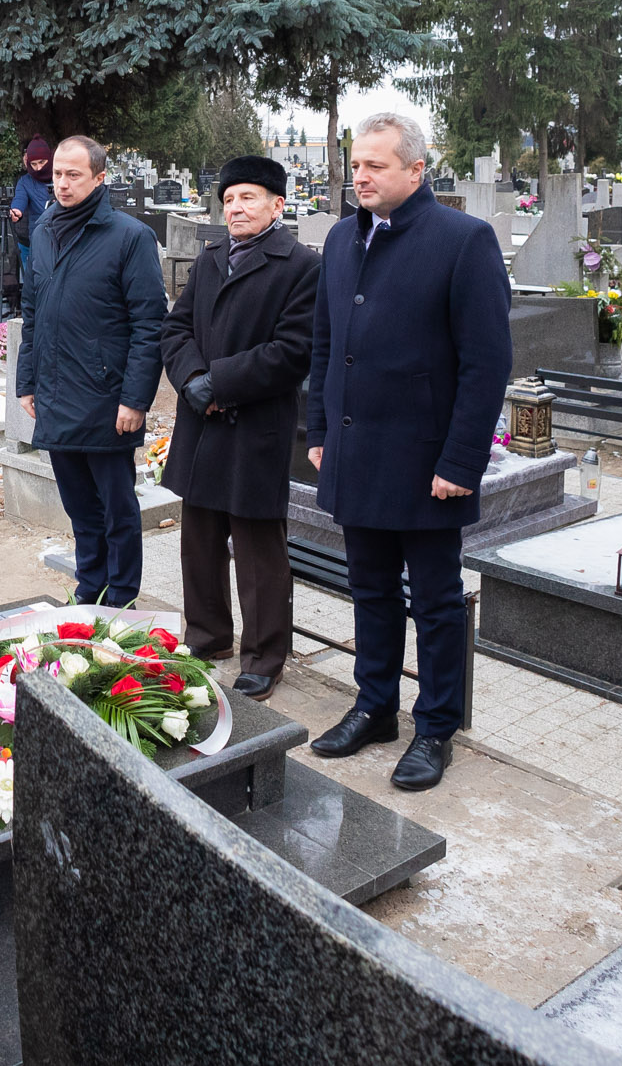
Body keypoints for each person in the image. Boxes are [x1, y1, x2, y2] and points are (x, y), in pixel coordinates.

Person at [306, 112, 510, 791]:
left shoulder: (463, 241)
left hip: (426, 463)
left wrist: (461, 460)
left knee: (436, 601)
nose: (360, 177)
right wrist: (318, 431)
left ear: (416, 170)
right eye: (356, 165)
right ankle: (375, 706)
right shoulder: (342, 238)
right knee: (369, 589)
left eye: (376, 165)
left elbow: (486, 363)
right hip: (355, 449)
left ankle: (436, 727)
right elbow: (326, 344)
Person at [159, 154, 321, 700]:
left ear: (277, 205)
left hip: (255, 428)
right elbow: (175, 328)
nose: (235, 208)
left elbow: (292, 350)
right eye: (228, 200)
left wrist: (219, 382)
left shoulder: (301, 266)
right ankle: (208, 637)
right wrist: (192, 379)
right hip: (202, 424)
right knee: (200, 543)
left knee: (258, 555)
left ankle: (265, 656)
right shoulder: (211, 260)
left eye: (247, 197)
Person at [16, 135, 165, 607]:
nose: (62, 184)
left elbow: (149, 323)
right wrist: (27, 381)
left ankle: (120, 600)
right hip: (56, 391)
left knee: (117, 510)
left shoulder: (130, 237)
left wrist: (135, 399)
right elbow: (33, 310)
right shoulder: (44, 229)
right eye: (57, 174)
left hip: (106, 396)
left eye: (73, 175)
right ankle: (90, 592)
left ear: (99, 178)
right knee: (79, 508)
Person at [8, 133, 54, 284]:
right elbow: (19, 199)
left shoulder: (61, 176)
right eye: (33, 164)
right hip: (36, 239)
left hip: (62, 238)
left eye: (42, 162)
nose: (38, 168)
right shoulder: (25, 181)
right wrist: (16, 211)